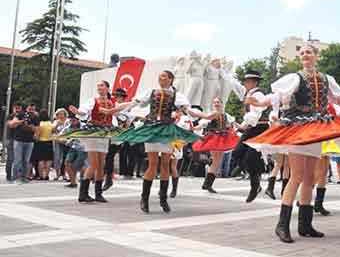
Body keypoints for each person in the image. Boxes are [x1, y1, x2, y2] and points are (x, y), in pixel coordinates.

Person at [244, 44, 340, 243]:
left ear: (316, 56)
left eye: (308, 52)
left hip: (316, 127)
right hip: (297, 128)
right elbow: (277, 96)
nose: (305, 55)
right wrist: (259, 103)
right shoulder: (295, 77)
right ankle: (282, 225)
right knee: (297, 175)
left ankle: (305, 224)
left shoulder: (327, 79)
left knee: (311, 177)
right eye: (302, 52)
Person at [110, 70, 200, 213]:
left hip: (166, 130)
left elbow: (190, 111)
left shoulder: (178, 96)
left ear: (171, 79)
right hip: (152, 129)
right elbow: (133, 103)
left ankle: (163, 199)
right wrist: (113, 110)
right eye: (159, 76)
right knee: (152, 164)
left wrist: (206, 115)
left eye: (163, 76)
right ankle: (144, 198)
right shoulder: (151, 92)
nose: (160, 79)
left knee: (165, 164)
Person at [220, 67, 272, 203]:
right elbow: (233, 83)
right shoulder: (247, 93)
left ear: (255, 83)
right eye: (245, 81)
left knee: (250, 157)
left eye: (248, 81)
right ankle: (254, 176)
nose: (245, 84)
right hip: (251, 128)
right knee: (237, 153)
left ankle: (255, 185)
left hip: (261, 128)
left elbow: (257, 113)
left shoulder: (259, 95)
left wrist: (245, 122)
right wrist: (221, 69)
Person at [65, 81, 121, 203]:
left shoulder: (112, 103)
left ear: (107, 88)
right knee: (94, 164)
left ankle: (98, 194)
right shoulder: (93, 101)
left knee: (101, 165)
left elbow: (116, 116)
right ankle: (83, 193)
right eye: (98, 86)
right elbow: (84, 112)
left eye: (102, 85)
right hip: (93, 133)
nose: (99, 88)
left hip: (104, 133)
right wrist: (77, 112)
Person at [190, 98, 239, 194]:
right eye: (215, 102)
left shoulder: (226, 115)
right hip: (214, 138)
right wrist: (195, 127)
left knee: (217, 162)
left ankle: (207, 183)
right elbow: (204, 123)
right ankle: (208, 183)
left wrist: (234, 129)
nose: (216, 104)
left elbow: (230, 125)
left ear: (222, 103)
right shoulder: (213, 113)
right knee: (216, 161)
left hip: (222, 137)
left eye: (218, 102)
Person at [10, 103, 40, 183]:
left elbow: (37, 130)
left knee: (26, 160)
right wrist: (22, 121)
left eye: (33, 109)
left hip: (30, 141)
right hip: (18, 140)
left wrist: (31, 127)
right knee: (17, 160)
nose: (31, 111)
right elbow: (12, 124)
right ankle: (16, 178)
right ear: (26, 108)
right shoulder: (20, 114)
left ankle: (24, 177)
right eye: (30, 109)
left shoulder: (36, 117)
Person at [33, 110, 54, 180]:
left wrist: (35, 138)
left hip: (41, 142)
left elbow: (37, 135)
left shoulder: (40, 124)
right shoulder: (50, 123)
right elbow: (53, 132)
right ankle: (47, 176)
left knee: (41, 160)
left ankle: (41, 176)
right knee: (49, 160)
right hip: (49, 142)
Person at [5, 103, 23, 182]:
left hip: (19, 139)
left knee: (18, 158)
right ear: (13, 108)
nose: (17, 110)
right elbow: (12, 125)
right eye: (16, 108)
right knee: (11, 158)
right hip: (11, 139)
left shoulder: (22, 116)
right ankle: (9, 175)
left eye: (19, 108)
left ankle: (17, 175)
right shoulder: (10, 116)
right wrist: (20, 121)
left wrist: (18, 121)